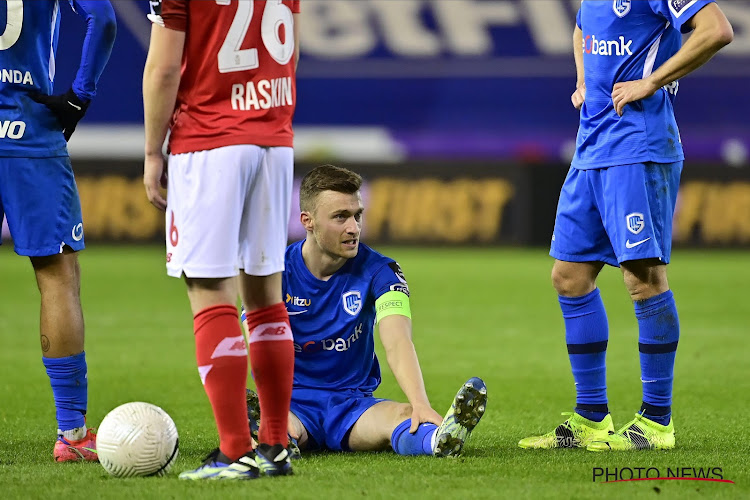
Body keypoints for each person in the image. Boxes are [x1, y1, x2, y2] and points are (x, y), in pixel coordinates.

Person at [519, 0, 733, 451]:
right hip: (591, 148)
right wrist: (581, 77)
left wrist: (652, 81)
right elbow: (582, 29)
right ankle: (591, 418)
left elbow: (716, 30)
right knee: (569, 276)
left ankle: (656, 422)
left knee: (643, 279)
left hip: (638, 147)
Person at [142, 0, 300, 479]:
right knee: (266, 296)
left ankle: (235, 451)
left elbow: (164, 66)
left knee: (211, 291)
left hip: (210, 139)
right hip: (274, 139)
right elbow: (291, 51)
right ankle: (274, 445)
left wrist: (153, 150)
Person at [242, 165, 487, 458]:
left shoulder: (382, 271)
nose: (354, 228)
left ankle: (438, 440)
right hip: (292, 403)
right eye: (340, 217)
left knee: (405, 416)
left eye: (357, 215)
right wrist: (273, 407)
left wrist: (420, 402)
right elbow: (259, 344)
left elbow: (397, 341)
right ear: (307, 221)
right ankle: (278, 437)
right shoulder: (273, 272)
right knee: (278, 426)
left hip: (352, 406)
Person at [0, 0, 115, 462]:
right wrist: (79, 93)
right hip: (30, 131)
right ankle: (71, 434)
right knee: (57, 278)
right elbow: (103, 18)